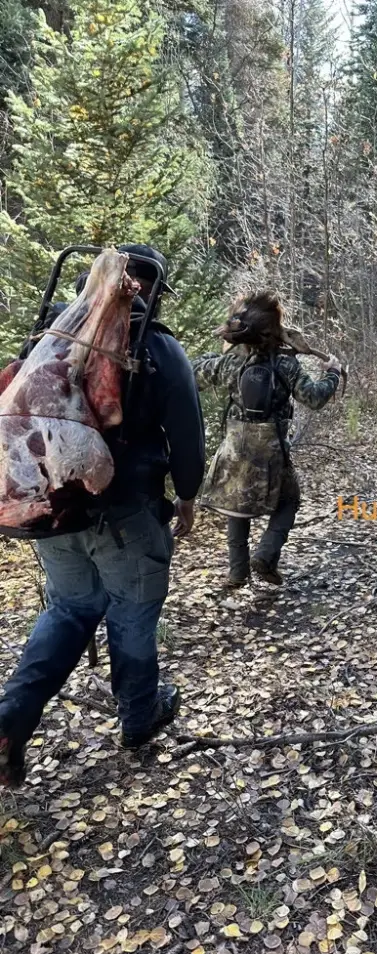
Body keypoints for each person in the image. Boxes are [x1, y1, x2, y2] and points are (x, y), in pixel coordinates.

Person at [0, 244, 205, 788]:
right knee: (131, 614)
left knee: (68, 610)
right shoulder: (156, 346)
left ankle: (9, 719)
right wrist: (187, 496)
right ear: (149, 290)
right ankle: (138, 719)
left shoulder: (50, 336)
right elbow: (187, 433)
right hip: (126, 513)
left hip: (55, 511)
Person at [192, 291, 341, 588]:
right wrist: (333, 373)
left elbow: (193, 373)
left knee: (237, 506)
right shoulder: (286, 365)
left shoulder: (231, 364)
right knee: (289, 501)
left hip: (235, 450)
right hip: (272, 452)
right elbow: (314, 397)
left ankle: (237, 572)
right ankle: (265, 555)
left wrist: (218, 355)